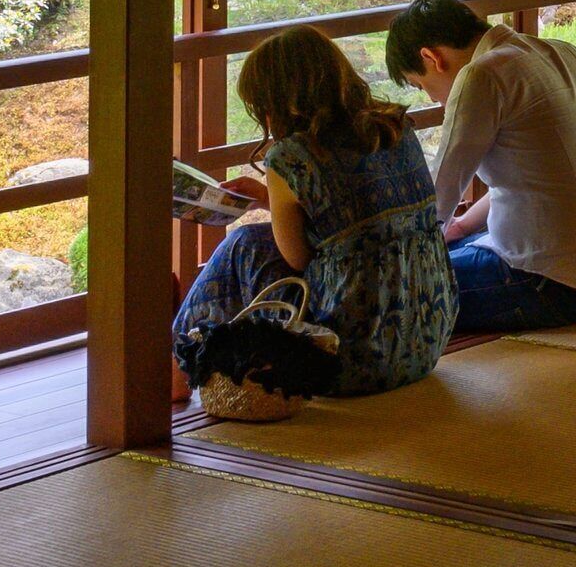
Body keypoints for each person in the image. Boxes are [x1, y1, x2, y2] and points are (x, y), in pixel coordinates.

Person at [172, 25, 456, 422]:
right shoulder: (393, 128)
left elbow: (298, 258)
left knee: (245, 244)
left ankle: (177, 361)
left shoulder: (291, 156)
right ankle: (181, 357)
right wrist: (267, 198)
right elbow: (359, 223)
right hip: (424, 343)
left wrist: (272, 202)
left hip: (341, 360)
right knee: (255, 241)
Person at [384, 0, 576, 331]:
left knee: (389, 292)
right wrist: (458, 229)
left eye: (420, 84)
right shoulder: (560, 51)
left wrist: (391, 262)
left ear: (432, 57)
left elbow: (439, 194)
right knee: (452, 242)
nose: (430, 97)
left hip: (550, 285)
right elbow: (536, 178)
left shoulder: (481, 75)